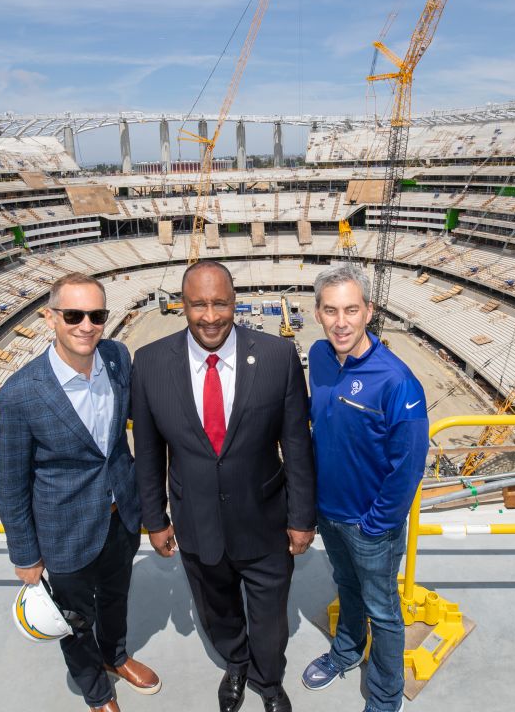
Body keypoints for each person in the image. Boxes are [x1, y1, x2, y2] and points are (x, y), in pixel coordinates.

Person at [131, 260, 316, 712]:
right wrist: (155, 520)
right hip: (196, 523)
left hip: (266, 521)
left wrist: (302, 519)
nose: (210, 316)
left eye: (220, 303)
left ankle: (269, 682)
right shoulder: (150, 363)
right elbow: (150, 453)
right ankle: (235, 664)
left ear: (235, 303)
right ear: (182, 305)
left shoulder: (277, 356)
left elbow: (296, 445)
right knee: (218, 612)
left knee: (272, 621)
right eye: (198, 304)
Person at [0, 272, 160, 712]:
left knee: (117, 596)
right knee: (74, 620)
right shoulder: (19, 396)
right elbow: (9, 483)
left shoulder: (118, 357)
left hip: (120, 516)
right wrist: (25, 554)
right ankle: (96, 692)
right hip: (63, 531)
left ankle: (116, 656)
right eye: (73, 314)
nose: (86, 325)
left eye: (96, 315)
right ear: (50, 317)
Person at [300, 265, 429, 712]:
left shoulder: (396, 380)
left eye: (351, 310)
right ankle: (345, 654)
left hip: (371, 525)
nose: (341, 321)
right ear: (317, 313)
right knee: (346, 589)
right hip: (329, 515)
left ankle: (385, 697)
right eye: (331, 310)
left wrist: (376, 525)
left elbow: (409, 465)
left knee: (385, 613)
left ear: (368, 311)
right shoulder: (317, 356)